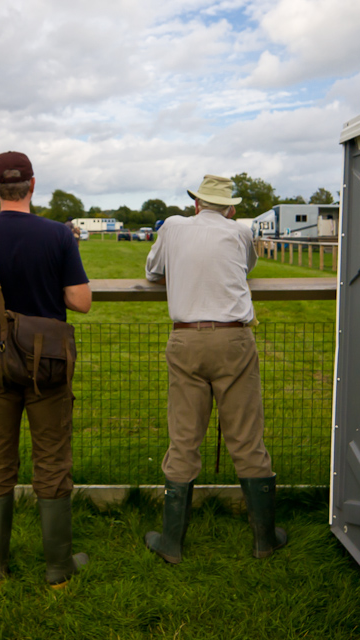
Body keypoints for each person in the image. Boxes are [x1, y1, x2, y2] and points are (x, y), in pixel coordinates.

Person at [0, 151, 92, 587]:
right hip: (46, 364)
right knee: (51, 460)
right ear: (33, 184)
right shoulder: (59, 235)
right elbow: (81, 302)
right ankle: (57, 568)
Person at [144, 174, 287, 563]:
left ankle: (171, 543)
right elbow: (246, 268)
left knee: (184, 438)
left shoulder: (172, 227)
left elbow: (152, 271)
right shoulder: (240, 231)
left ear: (195, 203)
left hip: (186, 339)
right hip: (233, 340)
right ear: (230, 207)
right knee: (246, 437)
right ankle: (264, 539)